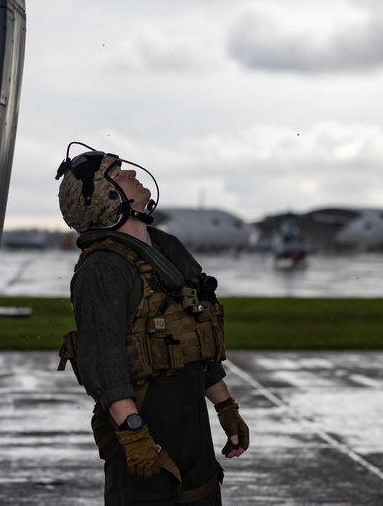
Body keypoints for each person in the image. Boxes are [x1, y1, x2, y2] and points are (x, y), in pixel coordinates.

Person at [55, 142, 249, 505]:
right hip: (145, 432)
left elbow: (193, 337)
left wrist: (226, 407)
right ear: (103, 198)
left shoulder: (165, 251)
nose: (131, 173)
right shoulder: (103, 270)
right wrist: (134, 435)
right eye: (116, 174)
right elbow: (104, 365)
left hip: (191, 426)